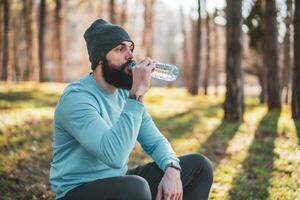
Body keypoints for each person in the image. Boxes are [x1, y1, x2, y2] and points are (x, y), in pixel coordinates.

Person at [49, 19, 213, 200]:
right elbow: (113, 156)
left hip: (118, 184)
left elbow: (156, 142)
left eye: (130, 49)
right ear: (100, 59)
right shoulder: (77, 98)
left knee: (199, 166)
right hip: (78, 191)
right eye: (120, 49)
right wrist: (136, 96)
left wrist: (172, 167)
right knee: (135, 188)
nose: (131, 56)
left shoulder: (122, 95)